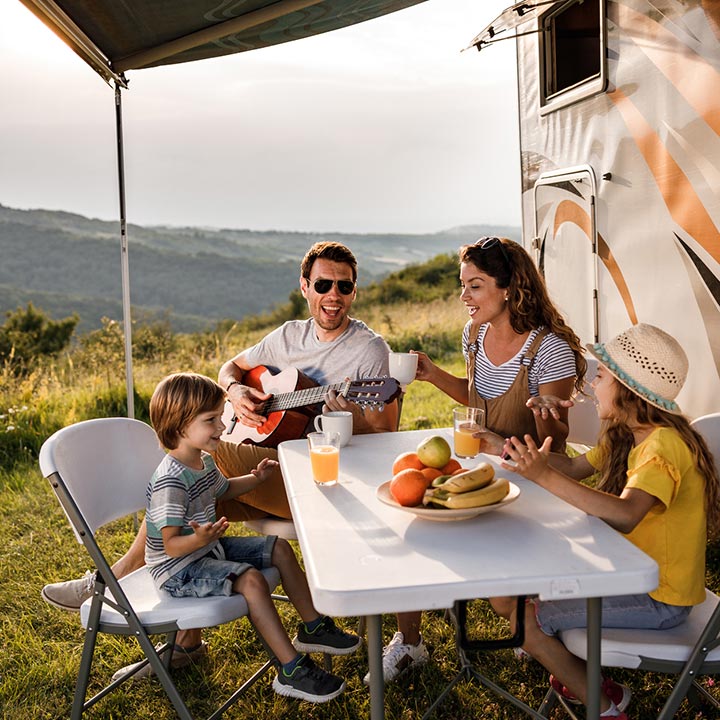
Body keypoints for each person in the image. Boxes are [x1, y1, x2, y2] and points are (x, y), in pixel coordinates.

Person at [42, 241, 397, 670]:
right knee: (194, 501)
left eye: (345, 286)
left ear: (355, 291)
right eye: (324, 284)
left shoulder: (368, 350)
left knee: (196, 462)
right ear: (305, 286)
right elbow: (231, 367)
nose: (334, 295)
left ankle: (102, 582)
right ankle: (182, 643)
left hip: (325, 480)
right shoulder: (287, 336)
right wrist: (235, 390)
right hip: (267, 468)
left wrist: (352, 415)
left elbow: (384, 432)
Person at [369, 236, 586, 685]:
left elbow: (554, 445)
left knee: (486, 577)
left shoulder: (549, 349)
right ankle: (413, 639)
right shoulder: (476, 334)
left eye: (475, 286)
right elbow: (476, 399)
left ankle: (538, 626)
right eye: (462, 285)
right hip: (484, 471)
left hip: (537, 484)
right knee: (412, 527)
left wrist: (537, 418)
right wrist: (431, 375)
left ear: (509, 288)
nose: (463, 297)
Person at [491, 323, 720, 719]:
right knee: (511, 595)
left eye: (601, 376)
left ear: (627, 389)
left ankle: (605, 706)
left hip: (659, 597)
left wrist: (544, 476)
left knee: (523, 620)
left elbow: (627, 514)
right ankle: (588, 681)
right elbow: (574, 467)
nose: (592, 386)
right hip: (630, 574)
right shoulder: (629, 434)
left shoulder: (663, 446)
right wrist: (508, 449)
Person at [142, 372, 360, 701]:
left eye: (219, 418)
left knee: (280, 549)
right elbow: (171, 546)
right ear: (179, 426)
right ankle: (290, 669)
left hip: (205, 551)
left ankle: (313, 626)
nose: (221, 427)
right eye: (211, 420)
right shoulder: (170, 482)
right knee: (252, 580)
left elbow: (225, 489)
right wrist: (199, 540)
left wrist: (255, 478)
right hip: (178, 570)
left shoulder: (202, 460)